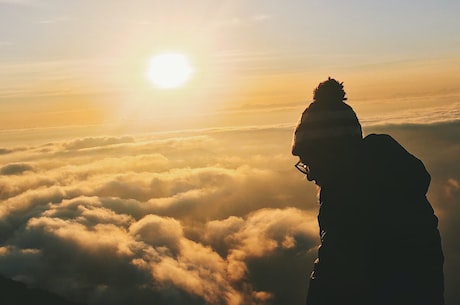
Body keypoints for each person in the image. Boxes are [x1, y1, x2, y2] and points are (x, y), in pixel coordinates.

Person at [292, 78, 444, 305]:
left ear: (330, 155)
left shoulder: (351, 212)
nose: (310, 175)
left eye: (310, 163)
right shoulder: (396, 191)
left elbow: (330, 287)